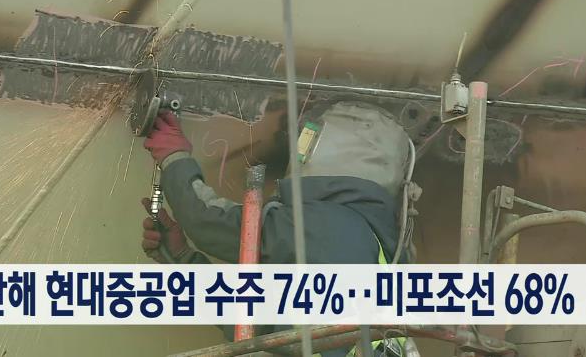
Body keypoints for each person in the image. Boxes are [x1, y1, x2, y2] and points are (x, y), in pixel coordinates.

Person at [140, 100, 414, 357]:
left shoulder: (330, 227)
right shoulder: (379, 252)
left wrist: (173, 156)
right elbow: (258, 323)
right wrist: (183, 258)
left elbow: (207, 222)